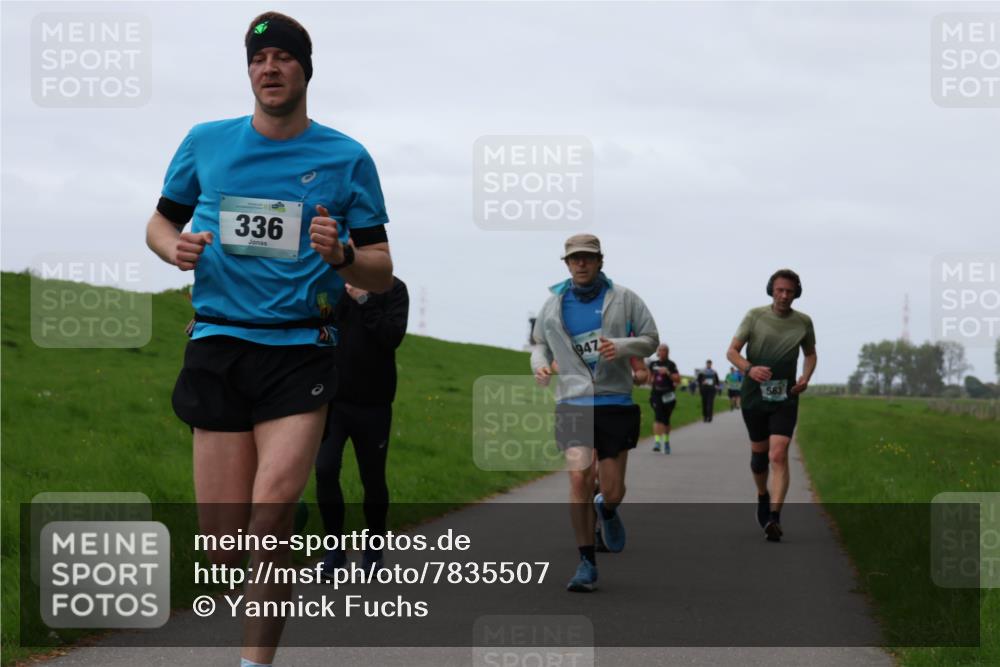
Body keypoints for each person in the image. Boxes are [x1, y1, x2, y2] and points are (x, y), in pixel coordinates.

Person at [145, 12, 393, 667]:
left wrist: (343, 255)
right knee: (224, 547)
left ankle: (255, 660)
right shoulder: (206, 142)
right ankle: (279, 524)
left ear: (305, 69)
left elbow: (381, 268)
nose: (269, 68)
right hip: (218, 346)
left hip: (299, 350)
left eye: (283, 57)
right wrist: (174, 248)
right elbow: (159, 222)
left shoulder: (346, 157)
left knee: (270, 511)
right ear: (249, 71)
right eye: (258, 59)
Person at [531, 234, 658, 592]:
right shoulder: (553, 305)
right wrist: (540, 366)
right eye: (575, 258)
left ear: (600, 261)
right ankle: (586, 562)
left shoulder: (625, 299)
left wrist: (621, 346)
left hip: (614, 402)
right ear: (567, 264)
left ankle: (608, 508)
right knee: (579, 479)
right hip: (572, 402)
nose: (581, 263)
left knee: (613, 489)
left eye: (588, 257)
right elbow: (539, 344)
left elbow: (650, 338)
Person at [316, 278, 408, 574]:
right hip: (332, 401)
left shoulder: (394, 289)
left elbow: (392, 336)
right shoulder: (328, 286)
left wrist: (364, 300)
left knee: (373, 479)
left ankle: (374, 549)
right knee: (325, 469)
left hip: (374, 403)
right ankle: (334, 552)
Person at [726, 269, 816, 542]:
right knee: (759, 458)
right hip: (754, 395)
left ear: (796, 293)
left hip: (785, 396)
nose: (784, 296)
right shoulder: (755, 316)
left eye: (789, 291)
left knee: (778, 454)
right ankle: (762, 495)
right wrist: (749, 369)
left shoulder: (803, 322)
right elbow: (732, 351)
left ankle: (774, 517)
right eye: (779, 290)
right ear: (771, 290)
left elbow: (810, 354)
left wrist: (805, 377)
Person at [648, 344, 681, 454]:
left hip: (668, 395)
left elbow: (678, 379)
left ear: (668, 352)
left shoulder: (671, 365)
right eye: (660, 350)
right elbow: (648, 378)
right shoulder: (653, 364)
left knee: (666, 420)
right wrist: (650, 378)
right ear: (657, 352)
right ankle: (657, 442)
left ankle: (666, 442)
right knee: (657, 417)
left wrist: (668, 373)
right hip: (656, 394)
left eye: (664, 350)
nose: (662, 352)